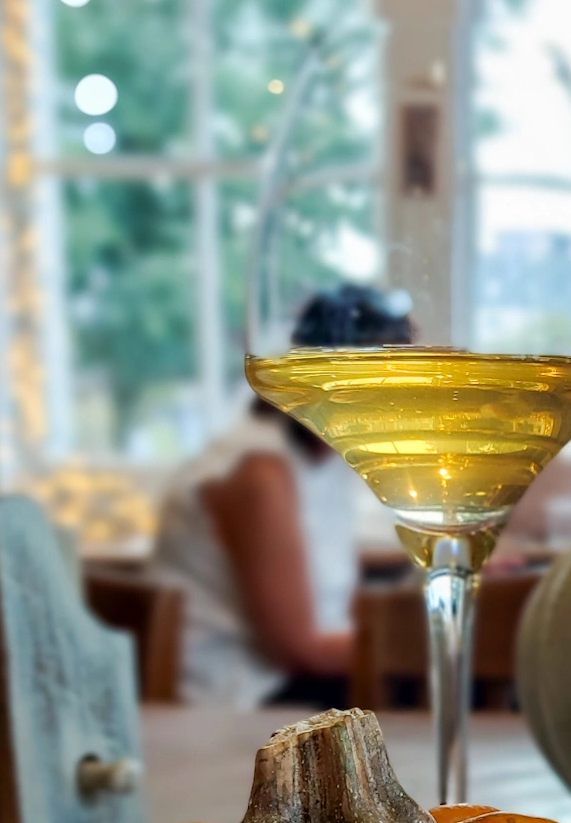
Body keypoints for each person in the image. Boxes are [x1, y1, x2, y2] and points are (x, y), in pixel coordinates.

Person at [153, 284, 413, 707]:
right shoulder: (258, 471)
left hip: (288, 690)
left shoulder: (322, 459)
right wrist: (434, 642)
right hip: (235, 703)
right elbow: (300, 650)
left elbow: (334, 609)